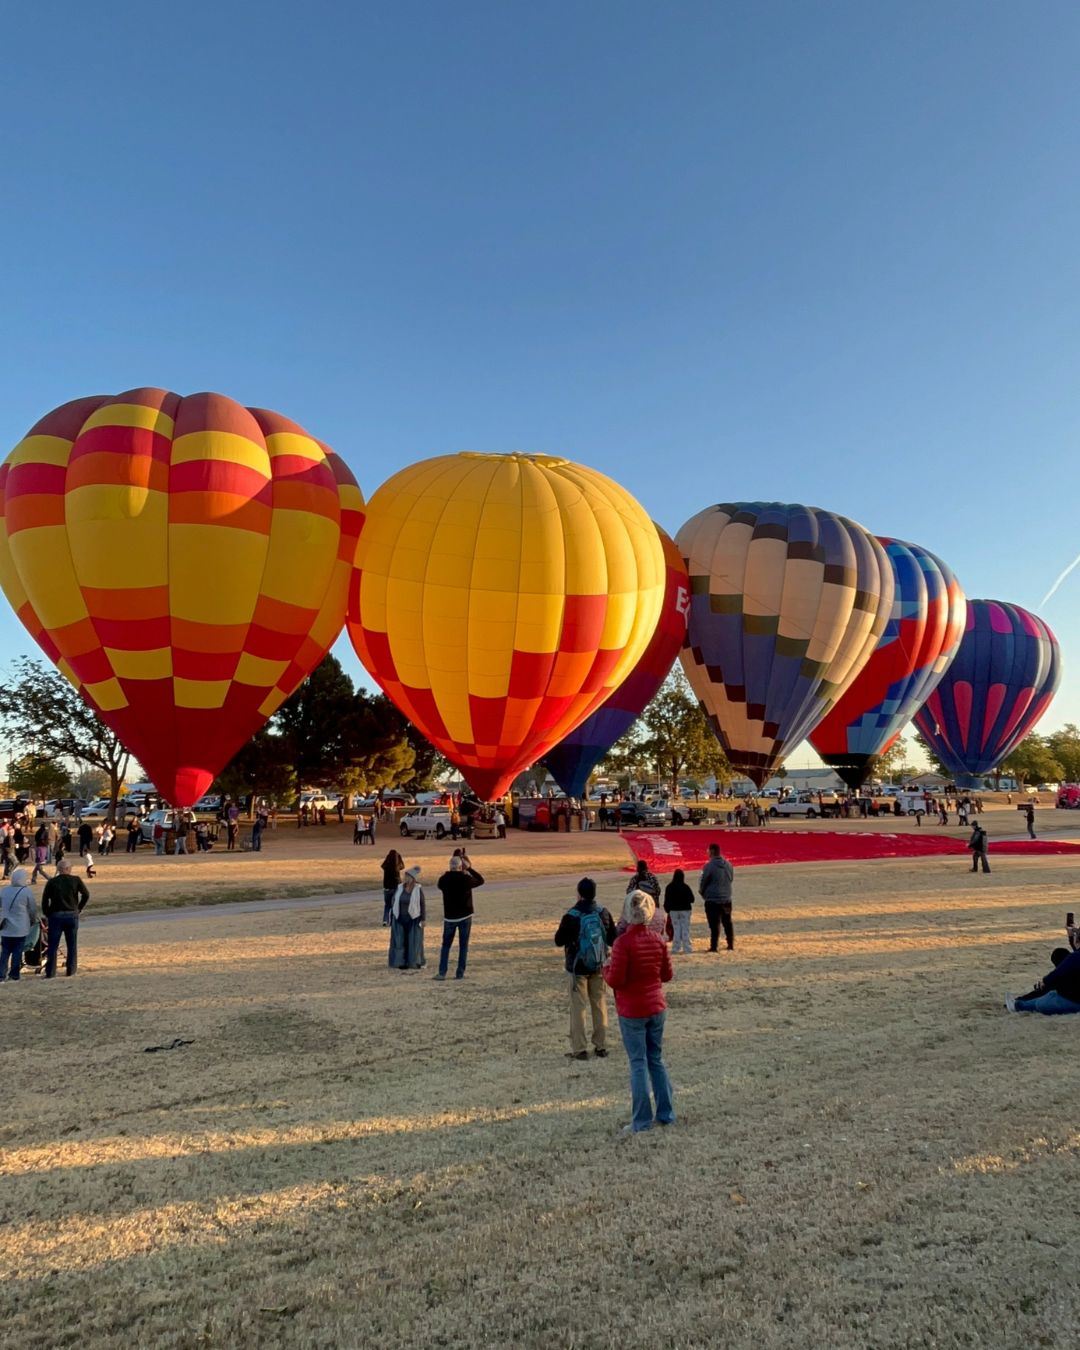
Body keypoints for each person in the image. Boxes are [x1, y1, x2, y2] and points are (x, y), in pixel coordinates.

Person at [604, 890, 675, 1134]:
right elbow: (667, 975)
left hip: (632, 1009)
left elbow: (616, 980)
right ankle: (666, 1113)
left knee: (638, 1063)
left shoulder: (622, 943)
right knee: (656, 1059)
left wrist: (605, 970)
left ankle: (642, 1120)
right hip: (656, 1006)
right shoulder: (658, 940)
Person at [554, 877, 617, 1060]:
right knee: (599, 1005)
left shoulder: (571, 916)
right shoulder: (603, 913)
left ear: (579, 893)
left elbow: (559, 941)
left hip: (577, 967)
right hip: (598, 965)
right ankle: (601, 1045)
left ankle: (580, 1048)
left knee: (578, 1008)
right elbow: (613, 939)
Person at [434, 853, 484, 981]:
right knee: (463, 945)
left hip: (450, 917)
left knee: (446, 946)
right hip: (465, 916)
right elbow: (481, 880)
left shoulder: (444, 879)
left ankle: (442, 972)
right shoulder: (466, 879)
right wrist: (469, 869)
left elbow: (439, 885)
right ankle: (460, 972)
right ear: (461, 867)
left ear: (450, 866)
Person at [41, 858, 90, 978]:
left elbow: (45, 900)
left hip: (56, 915)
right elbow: (86, 894)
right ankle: (71, 970)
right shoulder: (75, 880)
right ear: (68, 869)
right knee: (72, 944)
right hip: (71, 914)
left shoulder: (52, 882)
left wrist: (48, 913)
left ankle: (50, 972)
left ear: (58, 869)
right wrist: (79, 908)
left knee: (53, 945)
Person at [1005, 947, 1080, 1014]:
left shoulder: (1074, 956)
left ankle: (1018, 1005)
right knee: (1051, 993)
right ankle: (1018, 1004)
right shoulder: (1074, 956)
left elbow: (1056, 974)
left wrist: (1045, 981)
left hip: (1074, 1000)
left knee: (1043, 1002)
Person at [0, 867, 37, 982]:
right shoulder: (26, 892)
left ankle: (1, 974)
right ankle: (14, 974)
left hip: (6, 927)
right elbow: (32, 909)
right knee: (17, 952)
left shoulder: (4, 890)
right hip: (21, 927)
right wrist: (32, 920)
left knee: (5, 952)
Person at [699, 841, 735, 951]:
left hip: (712, 899)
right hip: (726, 898)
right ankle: (730, 944)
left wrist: (703, 893)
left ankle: (714, 946)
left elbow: (703, 882)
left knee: (714, 925)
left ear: (712, 851)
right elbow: (731, 879)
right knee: (727, 922)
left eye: (708, 850)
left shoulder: (709, 866)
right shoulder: (728, 865)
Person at [388, 866, 426, 970]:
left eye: (407, 876)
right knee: (400, 940)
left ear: (412, 878)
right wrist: (392, 915)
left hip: (414, 918)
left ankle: (415, 962)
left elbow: (422, 904)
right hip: (400, 918)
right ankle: (401, 962)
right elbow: (394, 900)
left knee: (414, 941)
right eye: (405, 876)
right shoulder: (400, 887)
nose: (405, 878)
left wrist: (423, 918)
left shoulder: (418, 889)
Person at [663, 868, 695, 954]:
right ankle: (687, 948)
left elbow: (667, 900)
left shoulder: (669, 887)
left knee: (676, 929)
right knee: (685, 929)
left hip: (674, 911)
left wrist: (667, 909)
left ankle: (676, 948)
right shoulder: (686, 887)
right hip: (685, 910)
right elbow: (692, 899)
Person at [381, 849, 404, 926]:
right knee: (394, 905)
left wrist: (387, 858)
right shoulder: (397, 867)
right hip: (395, 888)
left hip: (387, 888)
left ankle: (385, 920)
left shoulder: (386, 866)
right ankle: (392, 921)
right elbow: (403, 866)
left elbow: (382, 866)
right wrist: (399, 857)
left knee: (387, 905)